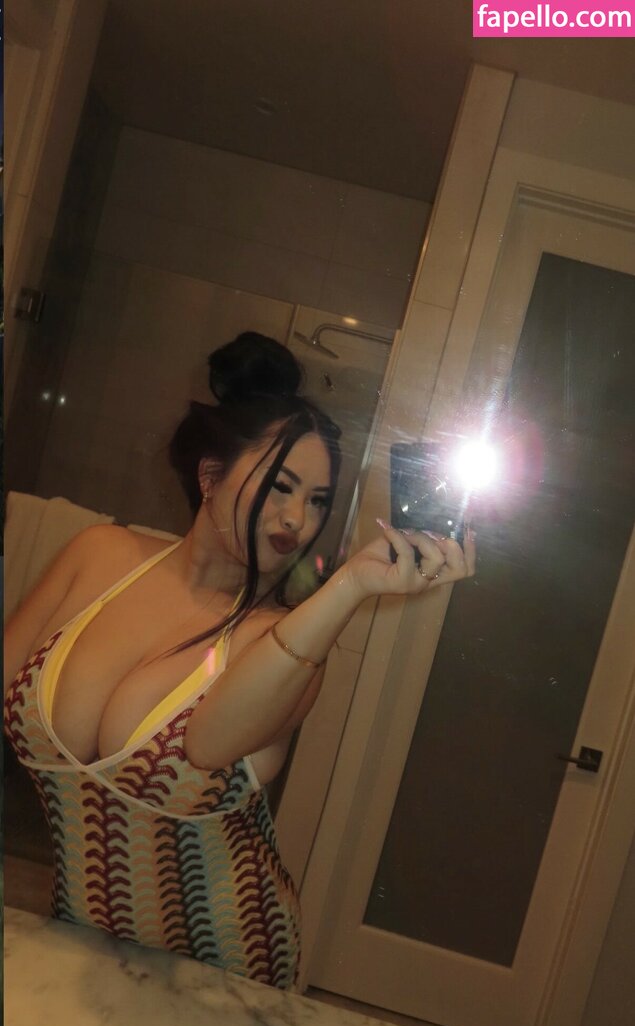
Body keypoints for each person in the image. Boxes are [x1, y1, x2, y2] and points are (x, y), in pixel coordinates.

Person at [4, 331, 476, 990]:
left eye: (317, 500)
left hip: (225, 964)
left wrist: (351, 586)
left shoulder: (281, 642)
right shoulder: (99, 554)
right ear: (209, 477)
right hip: (78, 935)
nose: (296, 519)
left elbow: (209, 741)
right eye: (280, 487)